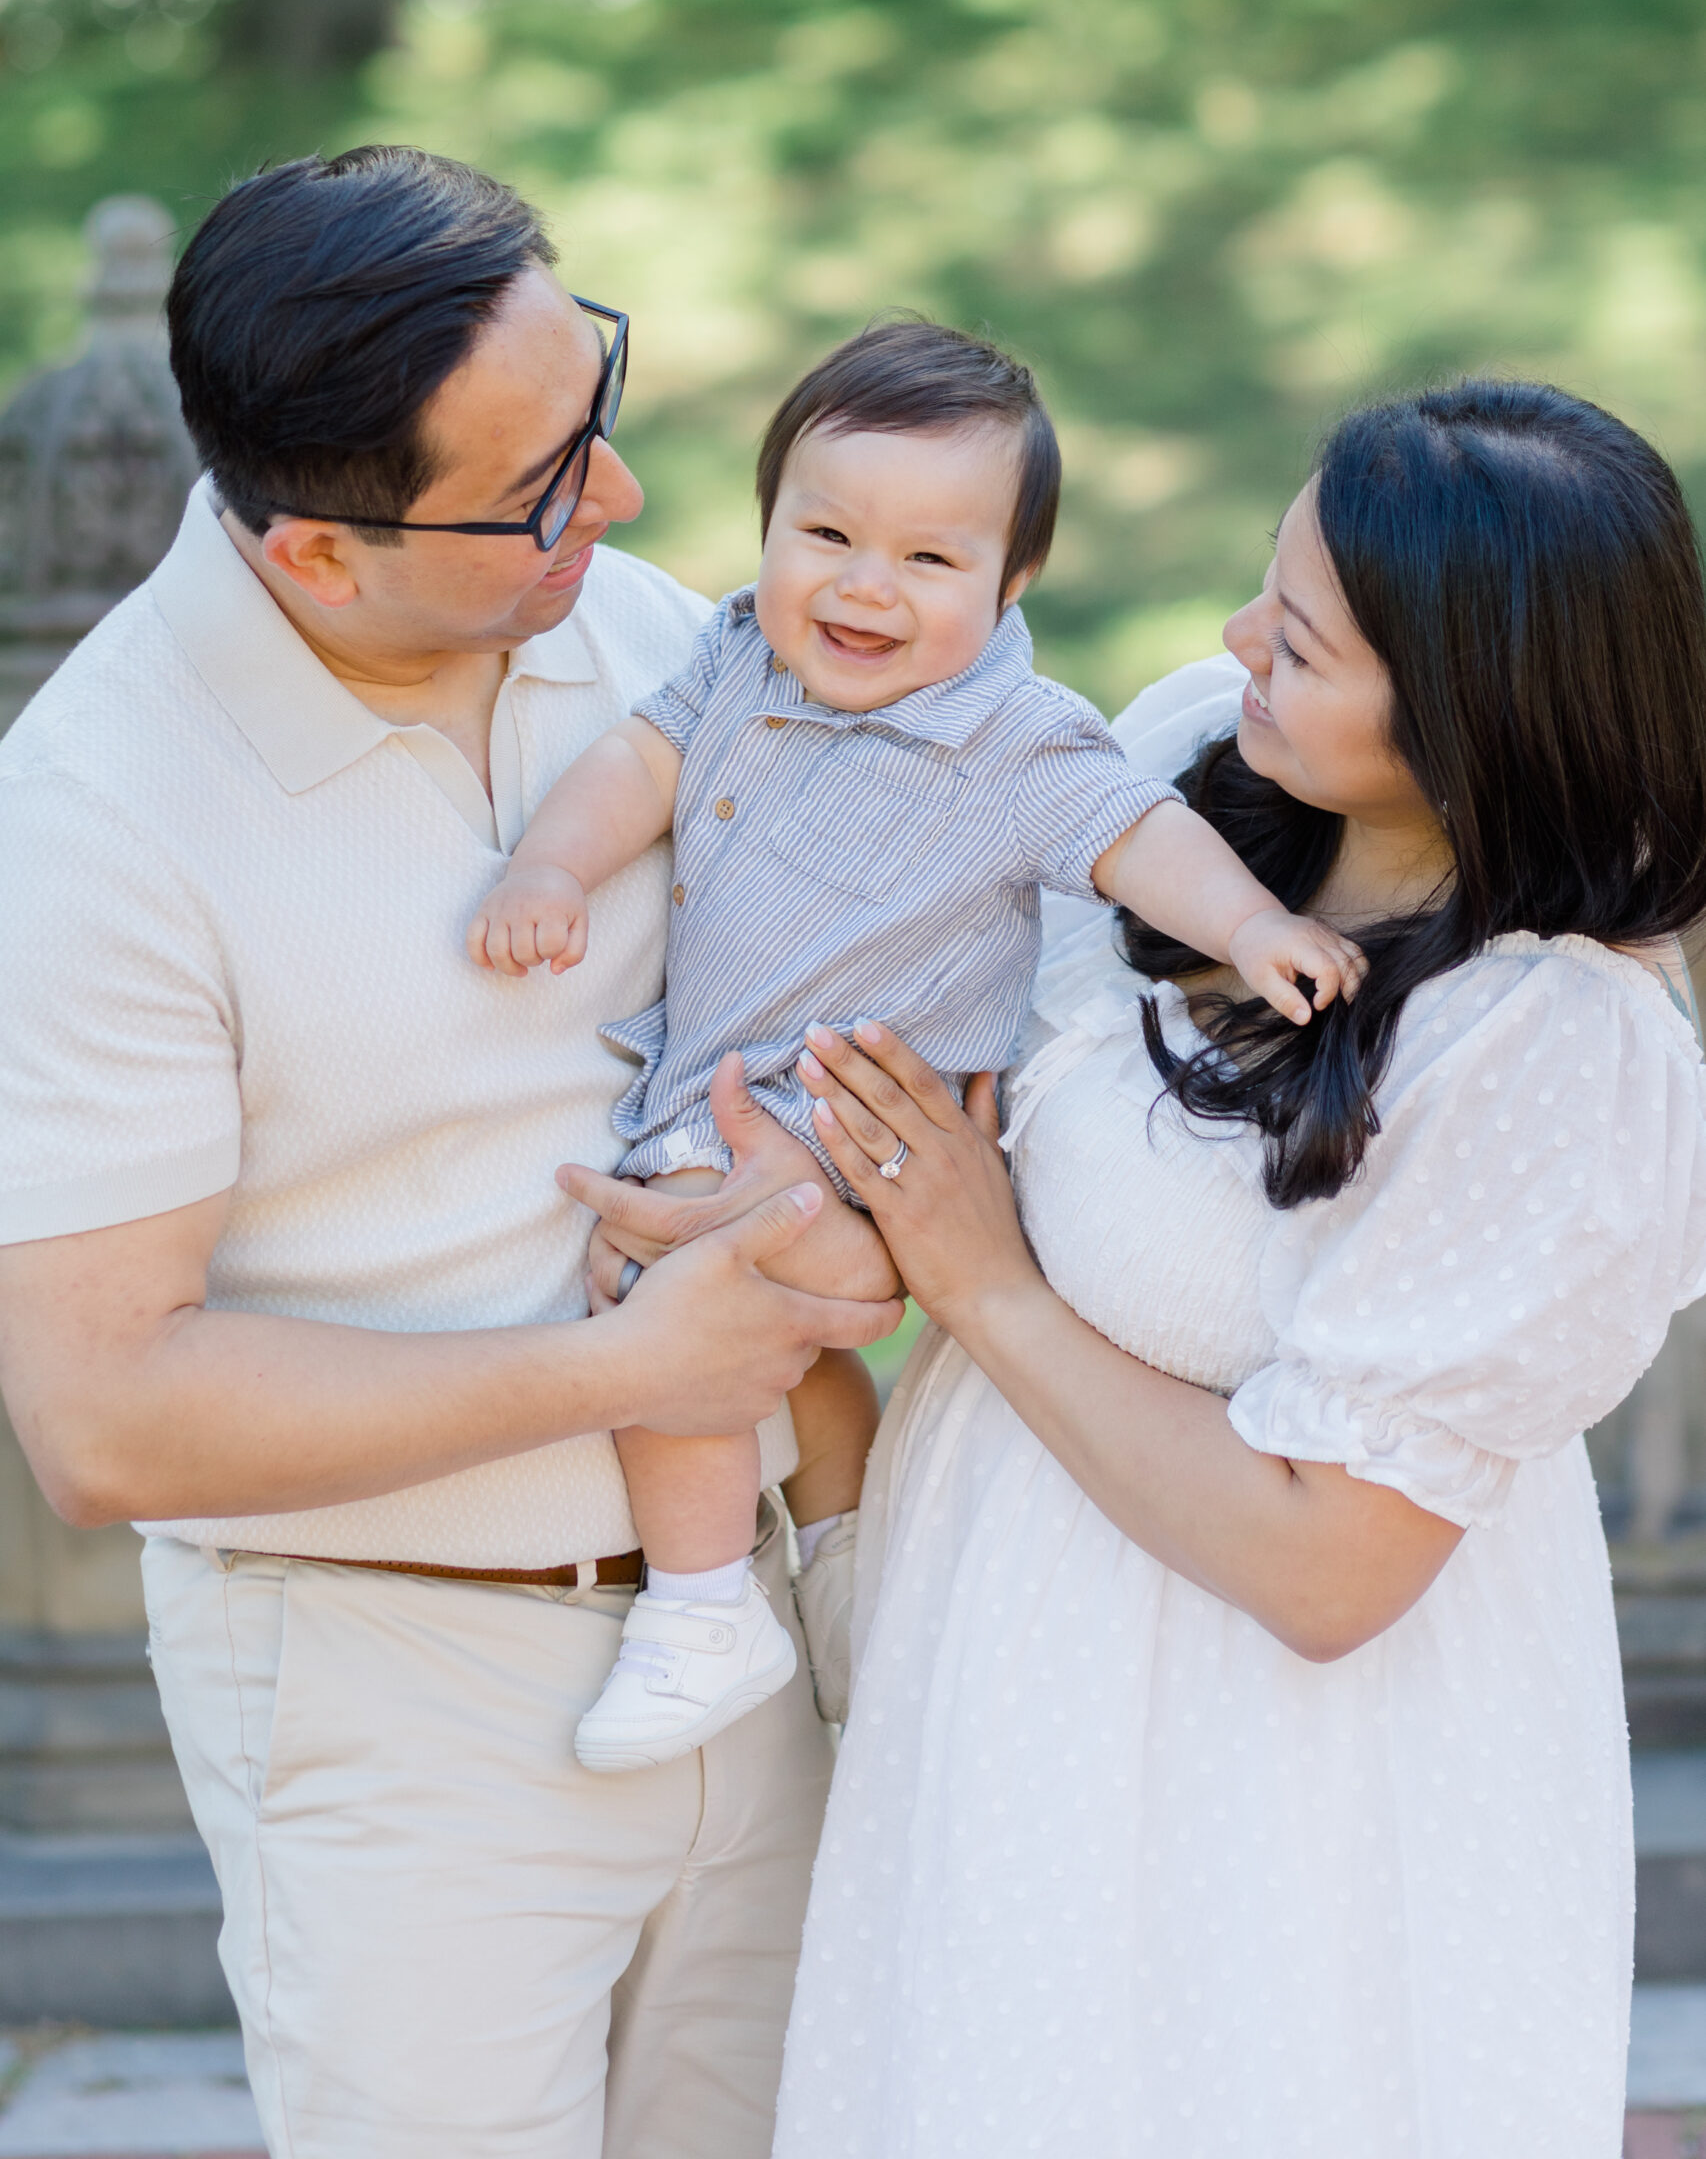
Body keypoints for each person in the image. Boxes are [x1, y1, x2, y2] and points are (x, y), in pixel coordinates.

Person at [0, 146, 899, 2159]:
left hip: (745, 1627)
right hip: (388, 1688)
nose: (625, 500)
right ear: (314, 552)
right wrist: (622, 1372)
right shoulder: (92, 826)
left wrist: (845, 1215)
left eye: (595, 402)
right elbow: (106, 1413)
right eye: (537, 490)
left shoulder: (654, 631)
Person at [770, 379, 1706, 2159]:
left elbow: (1329, 1566)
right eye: (1264, 591)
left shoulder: (1549, 1047)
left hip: (1273, 1788)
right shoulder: (1203, 760)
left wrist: (983, 1288)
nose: (1232, 642)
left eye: (1298, 637)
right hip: (1001, 1687)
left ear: (1468, 717)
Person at [470, 320, 1364, 1774]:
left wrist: (1255, 927)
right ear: (765, 528)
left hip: (866, 1142)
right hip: (719, 1108)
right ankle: (840, 1561)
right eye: (824, 533)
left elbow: (1140, 839)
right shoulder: (736, 657)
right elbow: (637, 764)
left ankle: (700, 1608)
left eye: (930, 562)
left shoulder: (1012, 737)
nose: (863, 587)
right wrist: (550, 872)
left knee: (671, 1297)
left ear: (1011, 585)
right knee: (768, 1349)